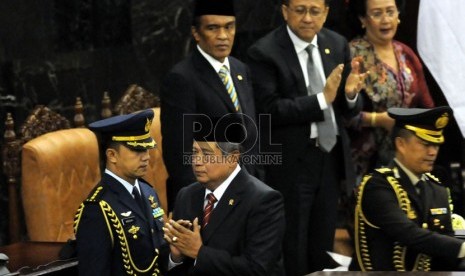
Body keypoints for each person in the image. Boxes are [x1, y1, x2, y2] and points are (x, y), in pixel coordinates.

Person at [247, 0, 366, 274]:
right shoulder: (264, 52)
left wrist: (350, 95)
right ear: (285, 11)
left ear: (325, 13)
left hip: (330, 159)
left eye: (315, 11)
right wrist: (322, 99)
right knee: (294, 245)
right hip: (292, 163)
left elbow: (348, 108)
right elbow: (270, 109)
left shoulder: (336, 44)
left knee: (322, 243)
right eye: (300, 10)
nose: (308, 18)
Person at [160, 0, 260, 211]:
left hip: (247, 193)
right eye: (213, 28)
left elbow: (250, 132)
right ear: (196, 33)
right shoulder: (182, 78)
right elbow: (180, 156)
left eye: (229, 27)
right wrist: (202, 204)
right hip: (210, 201)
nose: (223, 36)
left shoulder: (240, 69)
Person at [162, 116, 286, 276]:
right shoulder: (186, 195)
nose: (197, 161)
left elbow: (257, 269)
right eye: (194, 153)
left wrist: (199, 252)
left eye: (206, 154)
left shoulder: (264, 201)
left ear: (233, 158)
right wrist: (176, 256)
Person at [350, 106, 465, 271]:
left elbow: (445, 254)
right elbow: (408, 233)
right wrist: (462, 248)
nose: (433, 152)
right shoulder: (377, 186)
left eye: (436, 145)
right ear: (401, 144)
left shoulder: (437, 189)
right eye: (425, 144)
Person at [346, 0, 435, 178]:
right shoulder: (351, 55)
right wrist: (378, 119)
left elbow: (428, 106)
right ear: (363, 19)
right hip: (365, 163)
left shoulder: (406, 53)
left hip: (407, 159)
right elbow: (339, 114)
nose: (386, 20)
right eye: (377, 14)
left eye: (390, 12)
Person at [74, 109, 168, 275]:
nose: (146, 157)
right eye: (137, 150)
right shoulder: (98, 208)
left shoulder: (148, 191)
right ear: (112, 155)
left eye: (147, 149)